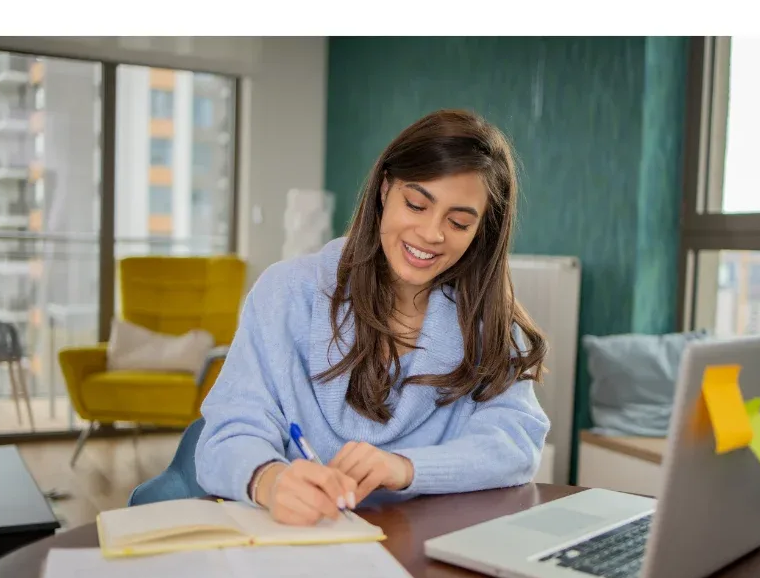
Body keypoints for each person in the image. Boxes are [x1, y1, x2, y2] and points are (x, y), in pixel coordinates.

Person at [194, 109, 550, 525]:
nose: (431, 233)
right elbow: (228, 433)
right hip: (296, 543)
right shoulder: (287, 293)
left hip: (423, 547)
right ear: (385, 189)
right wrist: (268, 480)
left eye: (457, 222)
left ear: (479, 232)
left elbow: (515, 442)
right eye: (416, 204)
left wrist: (404, 467)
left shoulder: (489, 325)